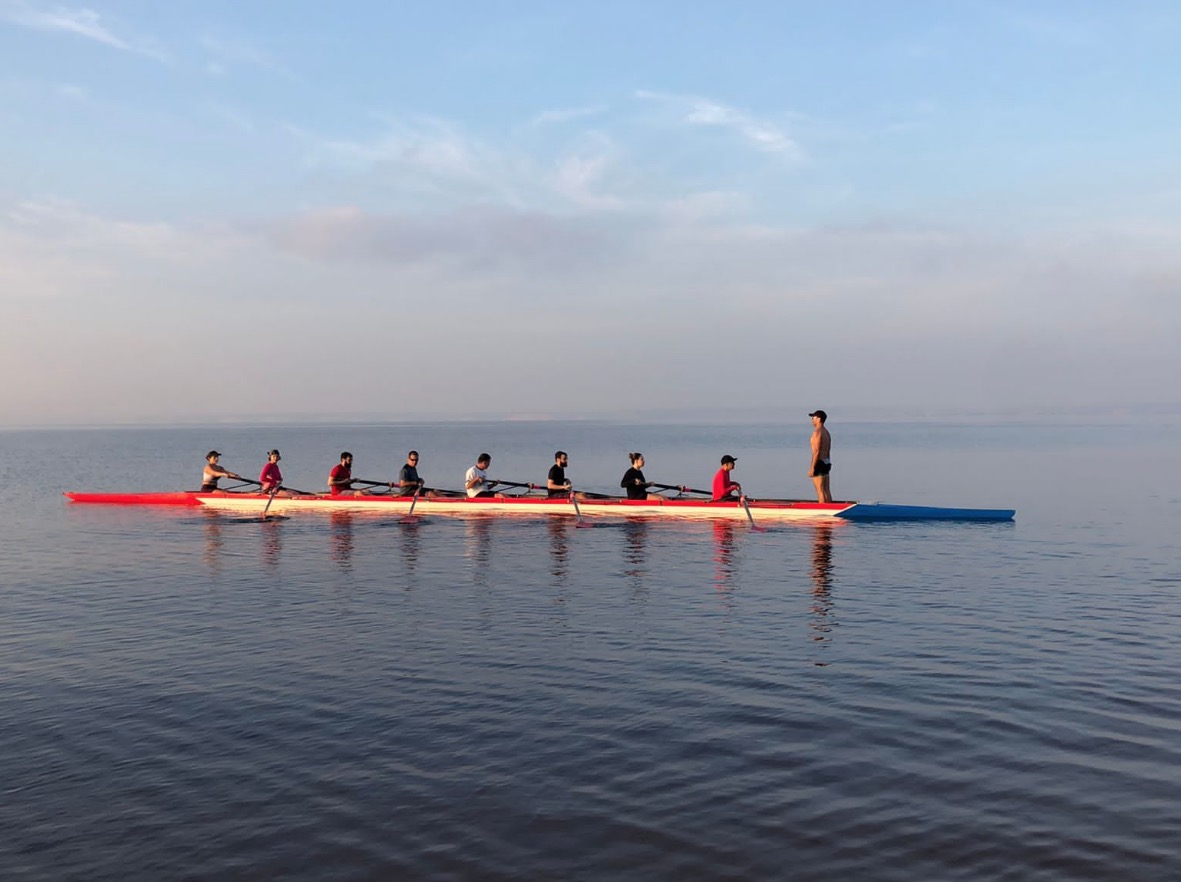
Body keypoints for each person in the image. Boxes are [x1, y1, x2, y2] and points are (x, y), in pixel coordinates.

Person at [809, 410, 833, 503]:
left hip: (819, 463)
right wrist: (828, 462)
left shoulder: (817, 432)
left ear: (819, 419)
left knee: (820, 490)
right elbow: (828, 450)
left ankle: (823, 509)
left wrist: (812, 468)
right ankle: (830, 507)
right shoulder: (826, 432)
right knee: (826, 489)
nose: (812, 419)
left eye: (813, 417)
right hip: (826, 462)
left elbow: (816, 451)